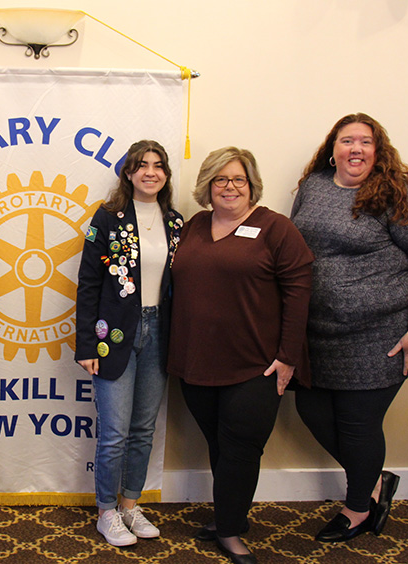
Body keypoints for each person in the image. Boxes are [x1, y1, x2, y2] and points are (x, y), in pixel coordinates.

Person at [290, 113, 408, 542]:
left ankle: (358, 507)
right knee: (311, 411)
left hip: (380, 337)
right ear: (333, 148)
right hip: (319, 334)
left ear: (379, 150)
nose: (355, 149)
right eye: (347, 141)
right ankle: (376, 481)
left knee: (359, 425)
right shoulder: (314, 186)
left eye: (366, 141)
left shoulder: (396, 192)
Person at [168, 147, 313, 564]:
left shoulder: (276, 229)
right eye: (220, 179)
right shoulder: (195, 226)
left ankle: (229, 530)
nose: (230, 187)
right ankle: (231, 515)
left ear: (251, 186)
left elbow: (299, 294)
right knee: (219, 445)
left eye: (238, 180)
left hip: (255, 365)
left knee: (241, 448)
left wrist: (288, 357)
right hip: (196, 363)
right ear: (207, 187)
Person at [75, 140, 184, 547]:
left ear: (166, 174)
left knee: (142, 429)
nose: (150, 172)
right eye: (142, 165)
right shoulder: (106, 219)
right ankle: (106, 511)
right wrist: (85, 345)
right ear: (128, 173)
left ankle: (129, 504)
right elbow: (88, 284)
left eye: (158, 165)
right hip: (115, 335)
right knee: (115, 431)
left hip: (160, 332)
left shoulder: (176, 222)